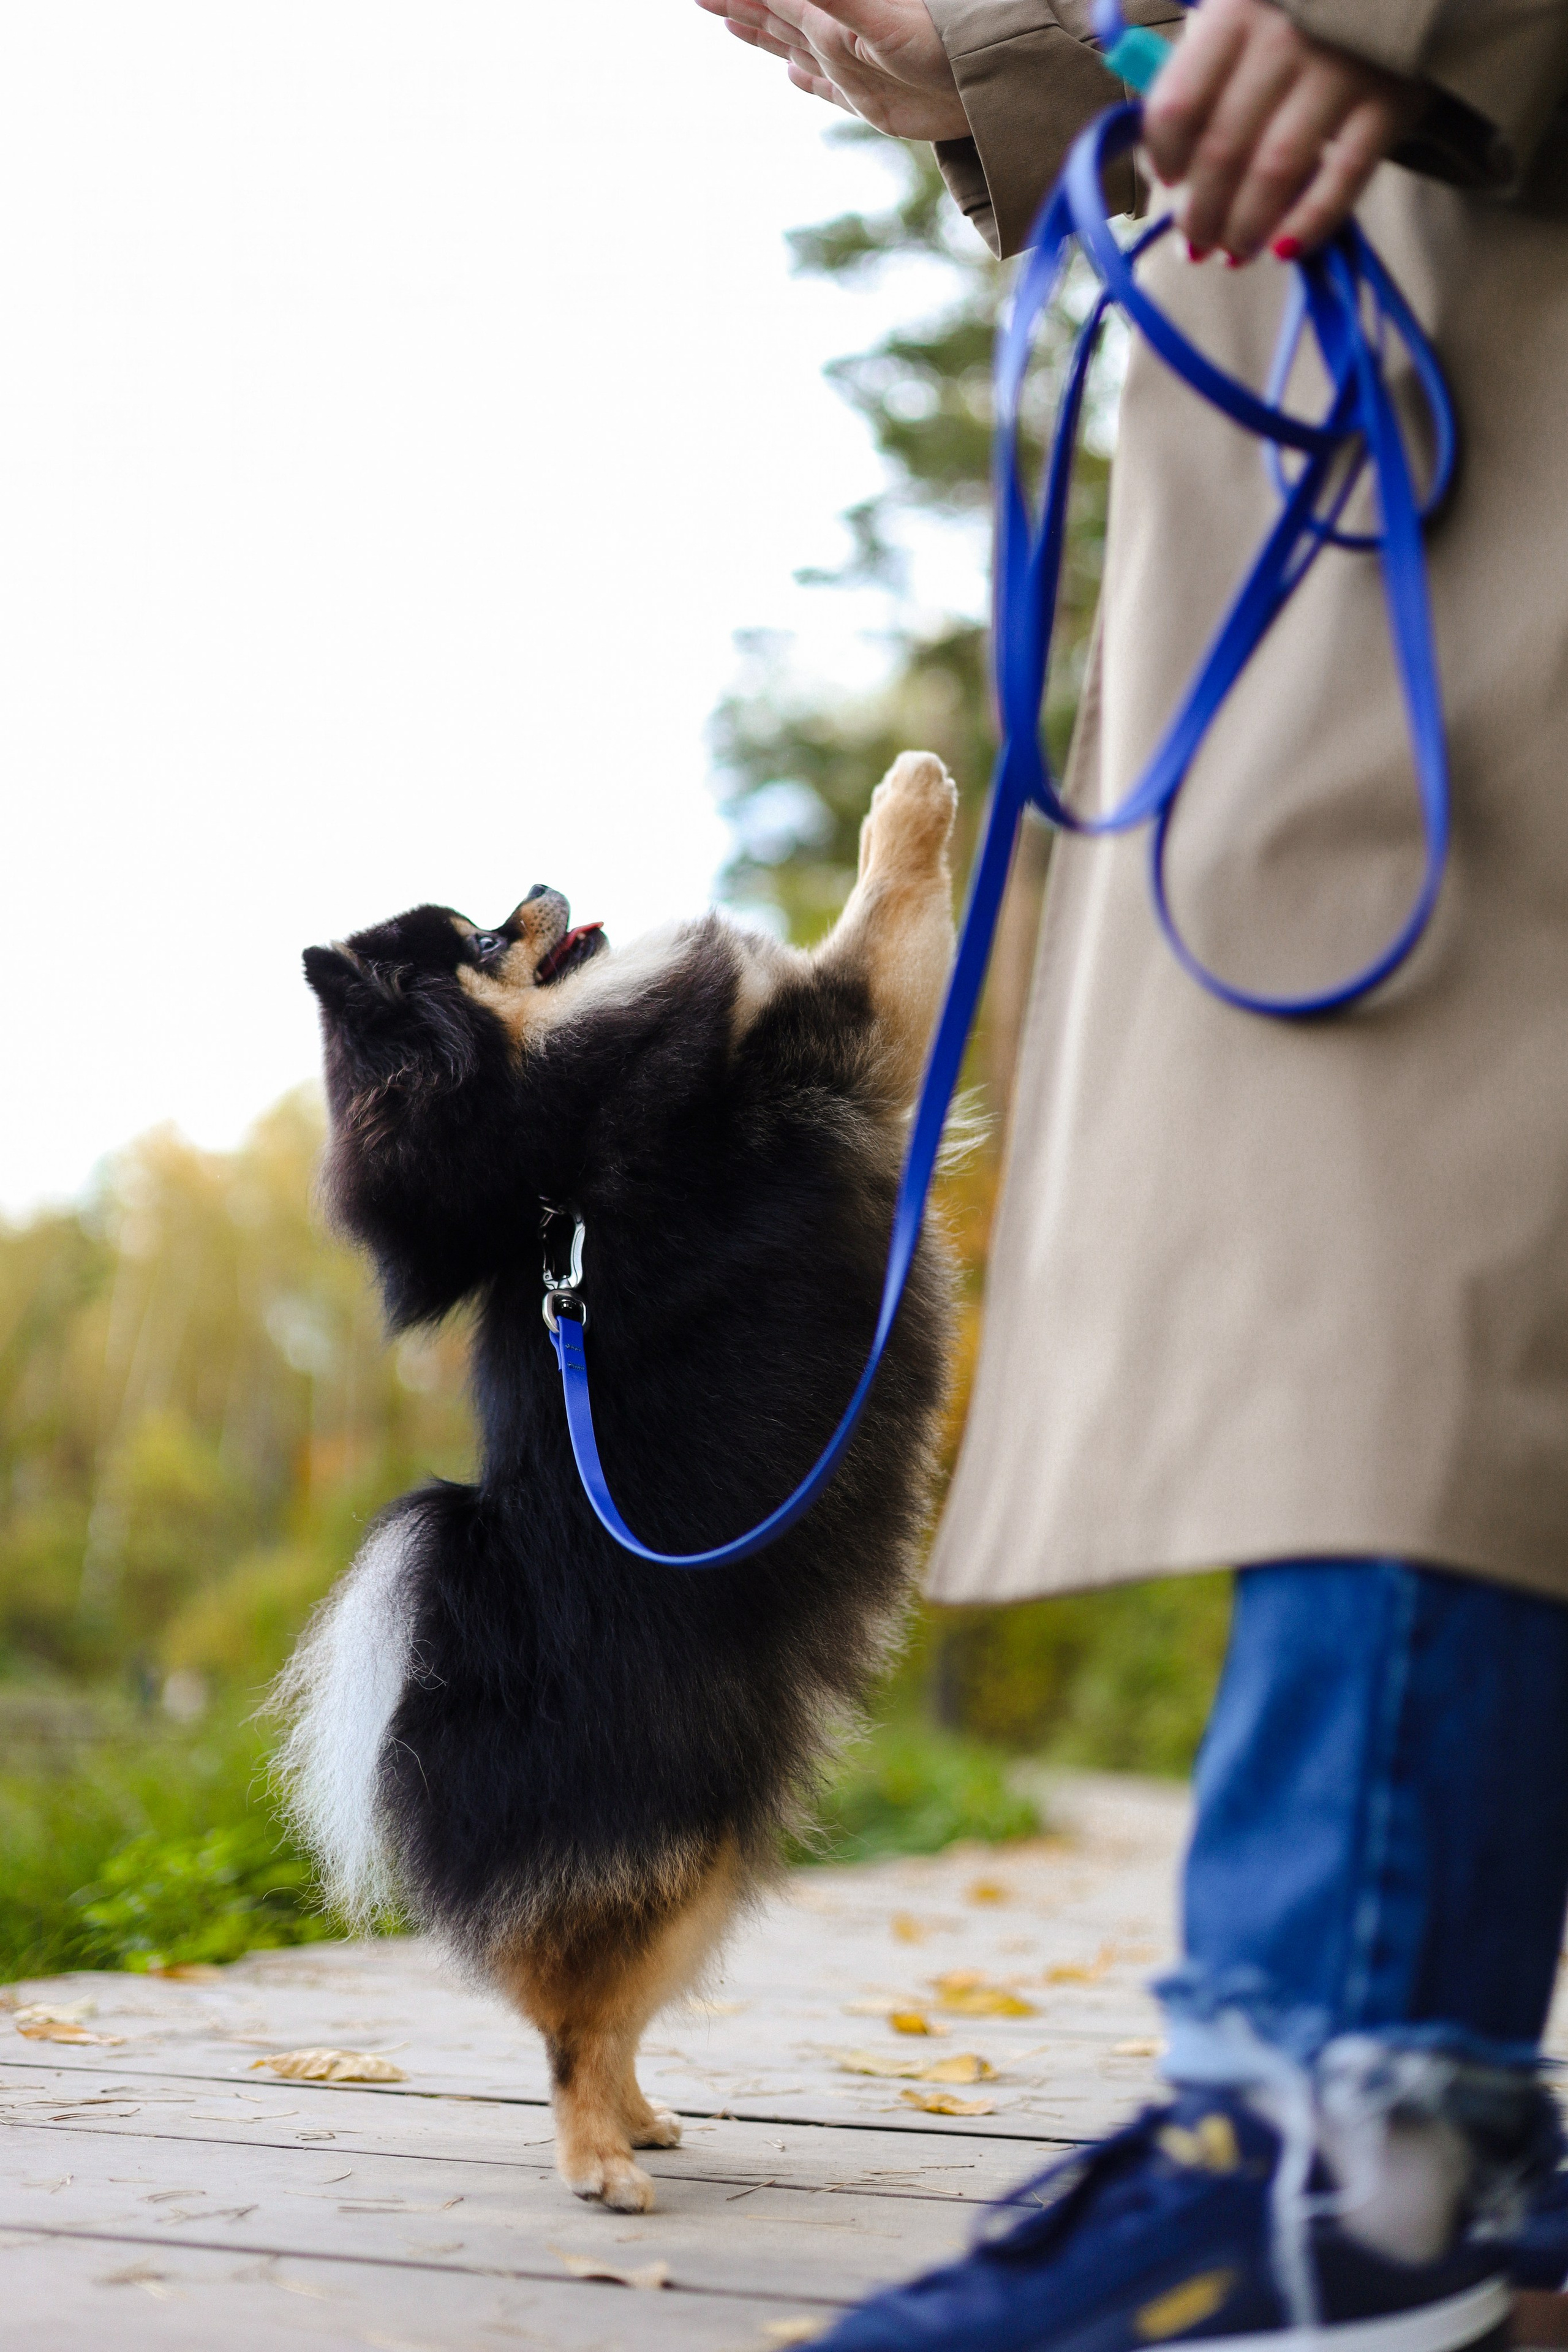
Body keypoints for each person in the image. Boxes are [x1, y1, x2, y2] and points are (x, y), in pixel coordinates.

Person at [695, 2, 1568, 2347]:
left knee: (1413, 1211)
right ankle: (1404, 2134)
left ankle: (1342, 2132)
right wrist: (990, 49)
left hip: (1470, 323)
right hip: (1354, 327)